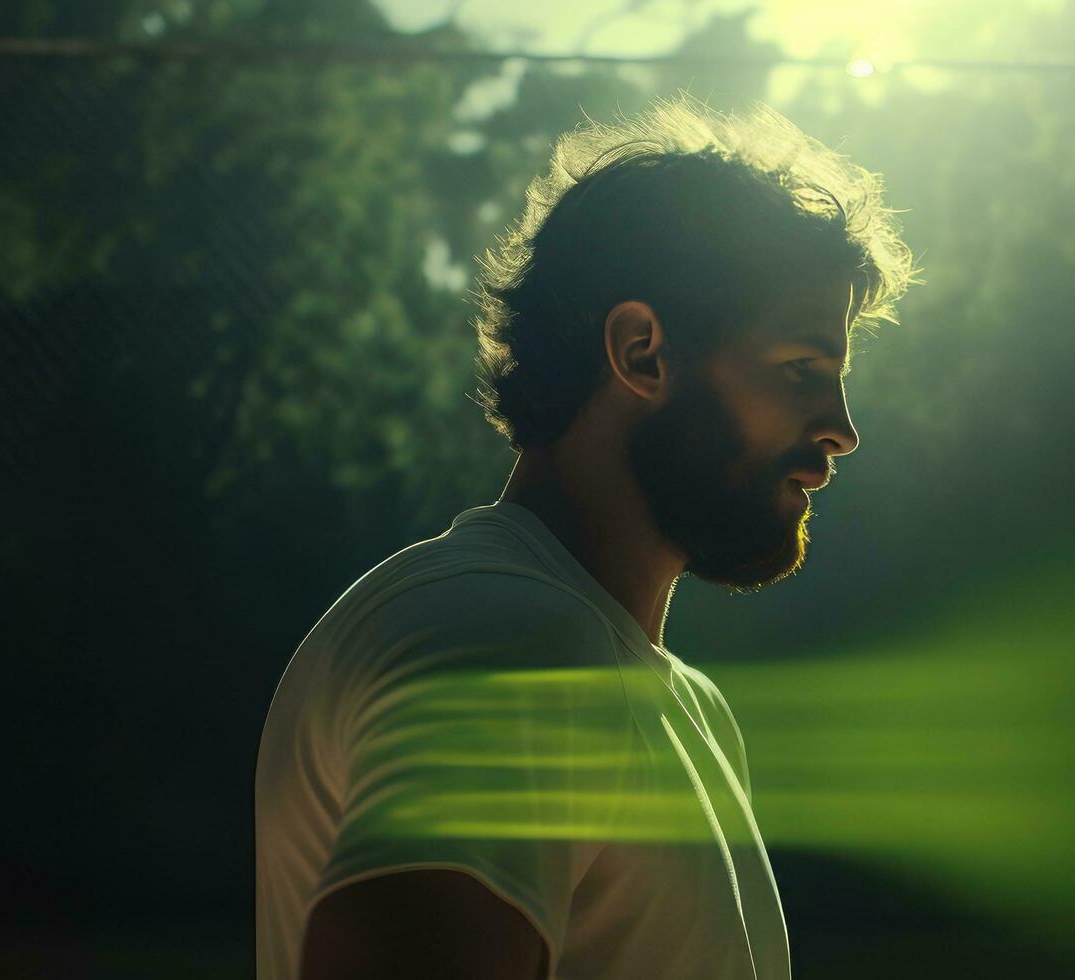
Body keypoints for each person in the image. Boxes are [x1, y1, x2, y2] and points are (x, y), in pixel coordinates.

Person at [253, 95, 918, 980]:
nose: (840, 428)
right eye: (801, 371)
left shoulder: (673, 697)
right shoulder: (500, 637)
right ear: (642, 351)